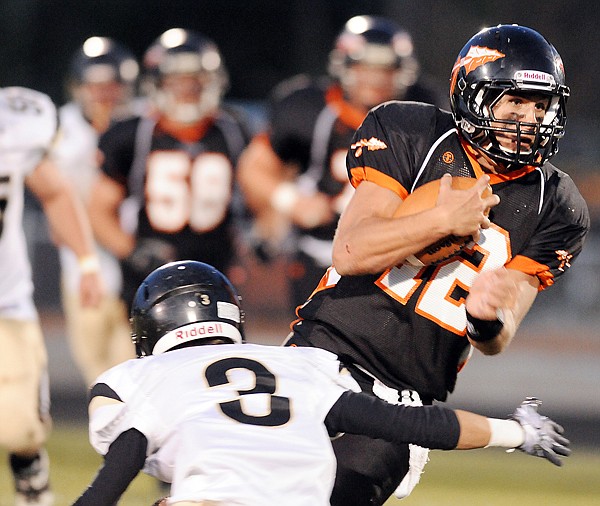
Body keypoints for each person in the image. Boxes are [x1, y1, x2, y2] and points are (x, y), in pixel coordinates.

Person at [283, 24, 590, 505]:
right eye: (515, 103)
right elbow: (351, 251)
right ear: (474, 97)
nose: (529, 118)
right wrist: (439, 220)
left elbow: (498, 337)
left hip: (402, 400)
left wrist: (488, 318)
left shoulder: (558, 204)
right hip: (317, 360)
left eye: (540, 105)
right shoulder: (410, 132)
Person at [72, 261, 570, 506]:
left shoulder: (140, 379)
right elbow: (416, 424)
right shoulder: (297, 367)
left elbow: (110, 483)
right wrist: (519, 432)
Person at [237, 15, 446, 313]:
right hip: (324, 253)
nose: (375, 79)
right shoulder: (309, 108)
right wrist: (292, 201)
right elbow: (253, 168)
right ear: (344, 66)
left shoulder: (423, 110)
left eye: (386, 69)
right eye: (365, 67)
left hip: (397, 252)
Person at [88, 28, 250, 313]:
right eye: (176, 82)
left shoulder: (232, 131)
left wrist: (256, 236)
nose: (186, 91)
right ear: (157, 84)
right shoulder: (133, 134)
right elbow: (99, 208)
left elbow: (259, 192)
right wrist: (131, 250)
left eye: (194, 82)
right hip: (150, 279)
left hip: (216, 273)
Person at [0, 86, 103, 505]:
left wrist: (87, 262)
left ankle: (30, 474)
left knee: (19, 427)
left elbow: (55, 190)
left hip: (4, 298)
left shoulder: (16, 122)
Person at [51, 36, 141, 386]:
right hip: (84, 264)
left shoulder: (141, 124)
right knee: (96, 368)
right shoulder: (60, 130)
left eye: (112, 86)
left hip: (134, 260)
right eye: (96, 86)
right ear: (79, 88)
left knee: (135, 364)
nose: (104, 95)